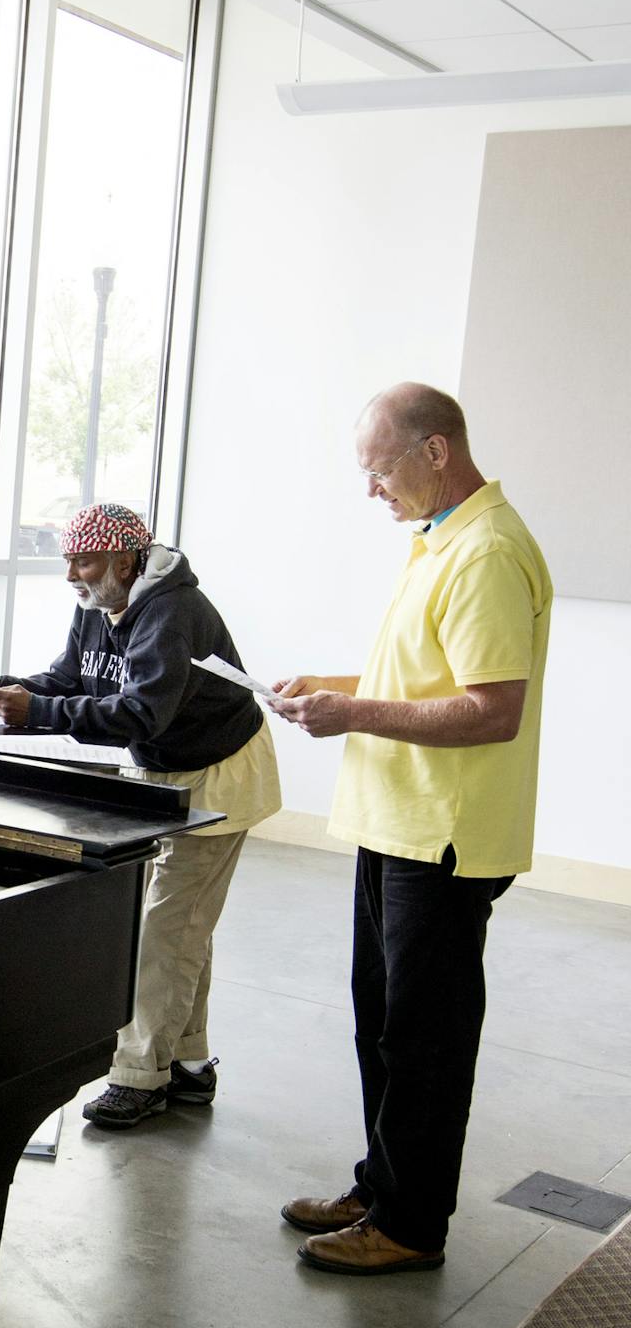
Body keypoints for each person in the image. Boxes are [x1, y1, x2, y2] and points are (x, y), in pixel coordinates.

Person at [270, 383, 552, 1275]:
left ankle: (411, 1224)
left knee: (423, 1038)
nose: (370, 490)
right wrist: (332, 686)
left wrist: (350, 712)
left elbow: (489, 710)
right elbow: (424, 674)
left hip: (443, 837)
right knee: (381, 1021)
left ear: (436, 452)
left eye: (379, 467)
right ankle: (382, 1185)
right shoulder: (439, 537)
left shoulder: (487, 551)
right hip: (397, 824)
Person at [0, 502, 280, 1127]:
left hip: (219, 773)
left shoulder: (172, 612)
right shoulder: (101, 605)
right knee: (181, 921)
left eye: (83, 561)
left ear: (126, 558)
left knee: (166, 924)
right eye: (67, 562)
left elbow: (139, 714)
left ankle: (139, 1074)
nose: (72, 575)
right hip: (165, 772)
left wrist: (39, 714)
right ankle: (187, 1061)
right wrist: (2, 686)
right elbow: (67, 677)